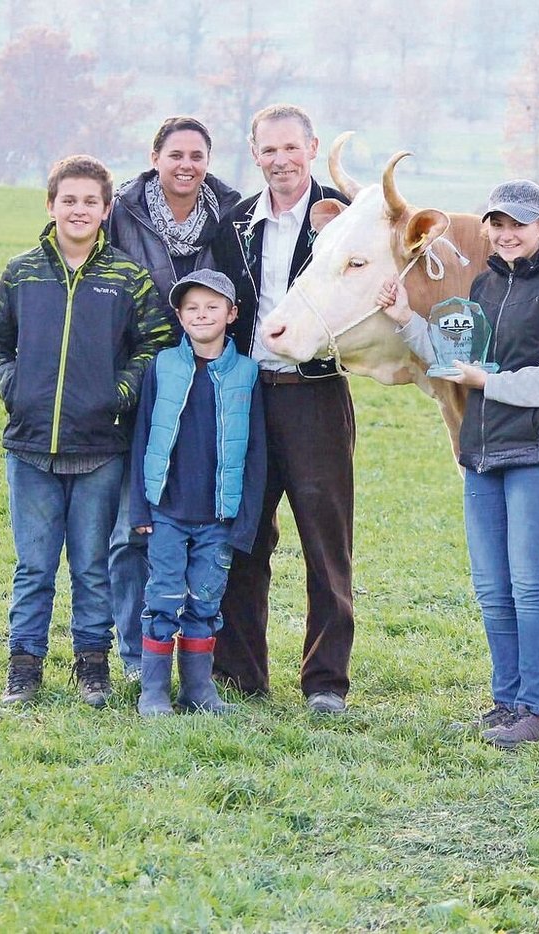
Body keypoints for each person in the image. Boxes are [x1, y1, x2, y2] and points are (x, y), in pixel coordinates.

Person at [377, 179, 539, 748]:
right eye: (496, 224)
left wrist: (489, 382)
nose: (505, 234)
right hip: (483, 451)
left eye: (517, 224)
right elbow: (459, 360)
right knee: (493, 587)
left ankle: (537, 710)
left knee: (529, 583)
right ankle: (505, 701)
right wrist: (406, 320)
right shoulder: (486, 285)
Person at [0, 154, 172, 708]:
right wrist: (14, 387)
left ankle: (92, 667)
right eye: (69, 200)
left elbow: (154, 344)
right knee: (34, 566)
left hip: (100, 449)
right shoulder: (22, 272)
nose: (79, 209)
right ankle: (24, 666)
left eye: (91, 201)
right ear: (51, 205)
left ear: (107, 210)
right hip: (31, 446)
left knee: (91, 567)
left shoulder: (126, 278)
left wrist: (120, 395)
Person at [208, 104, 356, 713]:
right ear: (254, 154)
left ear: (312, 147)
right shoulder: (237, 221)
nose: (280, 161)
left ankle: (325, 681)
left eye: (291, 148)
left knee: (326, 541)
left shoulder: (340, 220)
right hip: (249, 394)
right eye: (268, 150)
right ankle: (241, 673)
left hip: (316, 394)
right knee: (244, 537)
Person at [106, 116, 242, 680]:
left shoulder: (231, 218)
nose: (186, 165)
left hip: (207, 388)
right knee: (130, 529)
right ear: (155, 157)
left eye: (197, 155)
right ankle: (138, 655)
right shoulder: (121, 214)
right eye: (175, 154)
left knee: (203, 527)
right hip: (138, 382)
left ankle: (197, 658)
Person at [128, 270, 266, 717]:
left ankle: (197, 688)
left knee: (206, 602)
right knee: (163, 598)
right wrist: (139, 507)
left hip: (218, 517)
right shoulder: (163, 366)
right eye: (192, 308)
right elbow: (143, 434)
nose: (201, 315)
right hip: (166, 509)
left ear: (232, 314)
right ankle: (153, 691)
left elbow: (257, 454)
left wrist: (244, 521)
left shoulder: (247, 374)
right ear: (179, 316)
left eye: (212, 307)